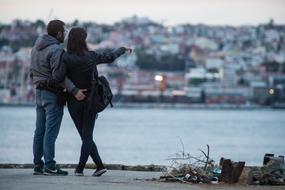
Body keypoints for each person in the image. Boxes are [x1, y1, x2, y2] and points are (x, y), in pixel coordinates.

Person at [63, 27, 131, 176]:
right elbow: (110, 57)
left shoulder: (65, 57)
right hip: (91, 100)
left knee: (85, 136)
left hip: (74, 100)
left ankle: (80, 169)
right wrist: (122, 49)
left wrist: (74, 91)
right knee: (87, 136)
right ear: (83, 41)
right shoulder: (91, 56)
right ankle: (99, 166)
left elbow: (61, 77)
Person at [30, 20, 86, 175]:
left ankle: (38, 165)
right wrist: (74, 91)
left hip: (38, 92)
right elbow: (59, 76)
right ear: (59, 33)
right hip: (52, 94)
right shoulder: (56, 50)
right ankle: (50, 165)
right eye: (64, 32)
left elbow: (31, 72)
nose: (66, 35)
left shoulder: (35, 48)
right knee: (51, 132)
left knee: (39, 130)